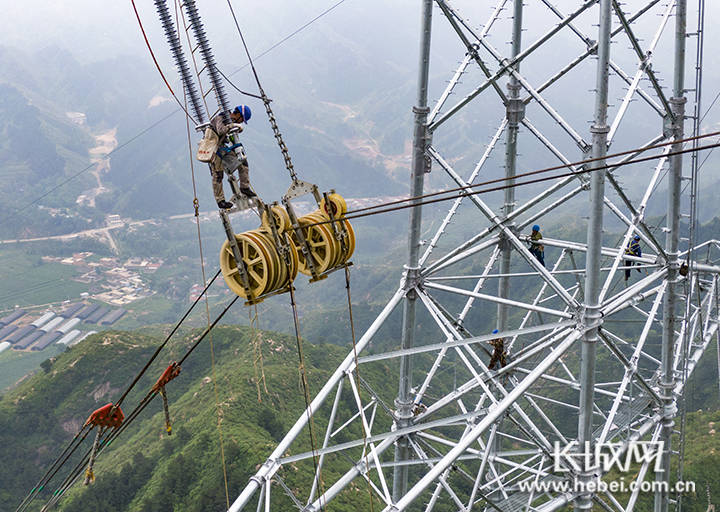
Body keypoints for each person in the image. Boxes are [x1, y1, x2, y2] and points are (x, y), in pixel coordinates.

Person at [205, 105, 255, 209]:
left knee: (243, 162)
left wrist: (235, 129)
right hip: (213, 149)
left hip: (222, 148)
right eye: (241, 119)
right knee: (218, 174)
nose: (241, 122)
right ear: (239, 115)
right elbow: (221, 131)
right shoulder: (221, 118)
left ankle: (244, 187)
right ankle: (220, 201)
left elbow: (229, 135)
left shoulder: (229, 120)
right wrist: (232, 126)